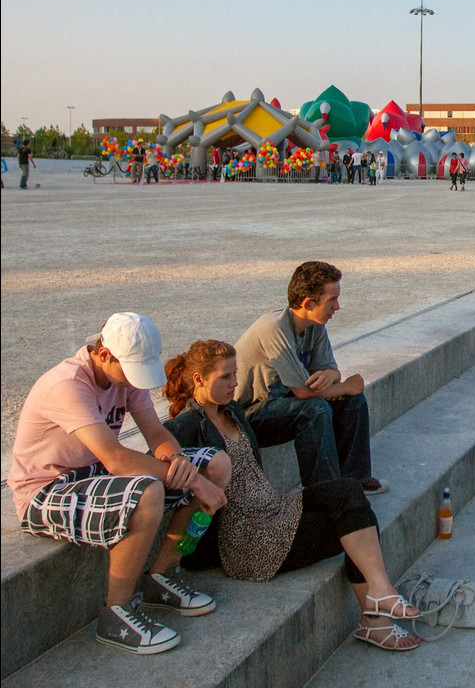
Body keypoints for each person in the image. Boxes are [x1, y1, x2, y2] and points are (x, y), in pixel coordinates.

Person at [163, 340, 421, 651]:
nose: (234, 384)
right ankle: (375, 621)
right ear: (198, 380)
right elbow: (167, 472)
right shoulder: (185, 426)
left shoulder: (231, 410)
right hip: (246, 537)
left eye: (235, 374)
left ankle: (380, 590)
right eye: (225, 377)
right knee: (350, 524)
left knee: (349, 491)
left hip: (272, 508)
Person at [8, 312, 230, 654]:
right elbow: (116, 458)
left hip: (94, 475)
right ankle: (117, 613)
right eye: (129, 370)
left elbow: (156, 434)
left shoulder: (123, 379)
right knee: (148, 492)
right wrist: (195, 486)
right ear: (105, 353)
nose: (132, 381)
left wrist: (178, 460)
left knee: (215, 464)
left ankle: (160, 575)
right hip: (46, 491)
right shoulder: (68, 385)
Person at [235, 261, 386, 495]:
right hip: (250, 414)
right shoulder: (274, 328)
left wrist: (333, 375)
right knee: (315, 409)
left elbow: (331, 374)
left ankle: (356, 479)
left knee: (352, 402)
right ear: (308, 303)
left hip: (285, 404)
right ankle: (325, 493)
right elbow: (303, 392)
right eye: (332, 300)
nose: (337, 306)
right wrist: (348, 385)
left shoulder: (315, 326)